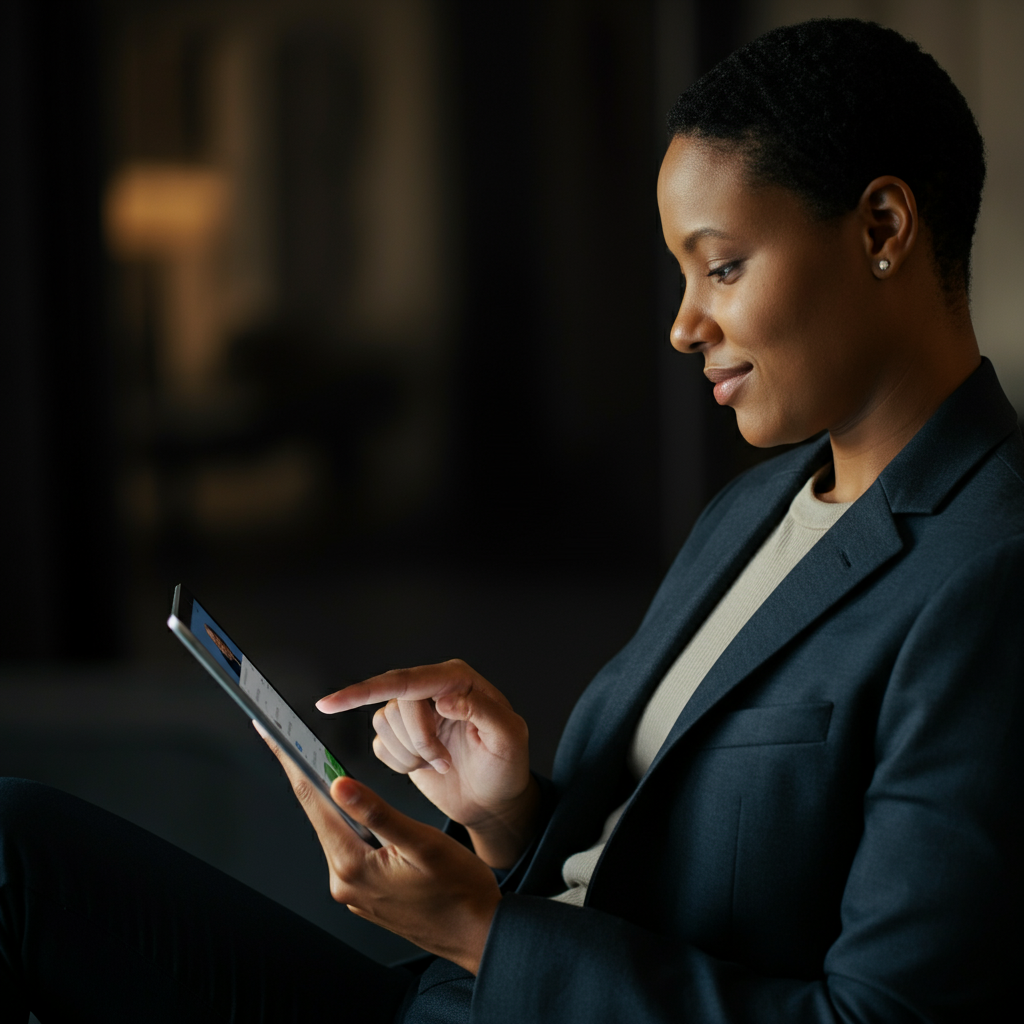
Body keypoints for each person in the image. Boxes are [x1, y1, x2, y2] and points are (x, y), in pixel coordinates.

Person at [1, 17, 1020, 1022]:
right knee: (18, 845)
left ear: (883, 227)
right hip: (448, 1003)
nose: (681, 325)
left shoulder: (989, 573)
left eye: (720, 267)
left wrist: (482, 934)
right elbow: (633, 864)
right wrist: (507, 815)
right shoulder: (758, 506)